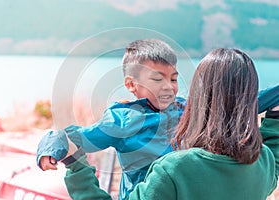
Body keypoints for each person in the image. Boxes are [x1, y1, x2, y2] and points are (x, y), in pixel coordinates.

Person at [60, 48, 279, 200]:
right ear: (249, 101)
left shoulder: (173, 170)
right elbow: (275, 161)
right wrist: (274, 120)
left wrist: (76, 167)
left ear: (199, 98)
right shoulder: (263, 163)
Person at [36, 38, 187, 199]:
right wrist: (51, 149)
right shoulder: (123, 121)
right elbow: (75, 137)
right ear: (131, 85)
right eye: (158, 79)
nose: (169, 86)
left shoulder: (185, 110)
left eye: (173, 79)